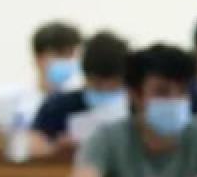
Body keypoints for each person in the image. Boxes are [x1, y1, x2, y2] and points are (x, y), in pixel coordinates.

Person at [65, 44, 197, 177]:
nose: (174, 100)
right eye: (162, 92)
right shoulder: (107, 137)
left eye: (182, 92)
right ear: (135, 95)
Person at [0, 21, 82, 136]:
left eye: (71, 55)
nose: (68, 61)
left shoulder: (79, 101)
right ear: (39, 58)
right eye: (61, 54)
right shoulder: (7, 97)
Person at [26, 31, 129, 159]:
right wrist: (56, 148)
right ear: (85, 76)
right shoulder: (58, 106)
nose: (104, 89)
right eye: (97, 84)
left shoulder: (137, 108)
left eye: (112, 86)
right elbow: (32, 144)